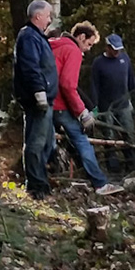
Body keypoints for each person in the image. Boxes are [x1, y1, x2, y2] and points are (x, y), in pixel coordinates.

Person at [50, 21, 123, 195]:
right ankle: (100, 184)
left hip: (45, 103)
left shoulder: (53, 45)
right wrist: (82, 113)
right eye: (89, 44)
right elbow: (68, 85)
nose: (88, 49)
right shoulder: (73, 50)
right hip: (60, 105)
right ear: (81, 37)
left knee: (43, 141)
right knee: (82, 142)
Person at [12, 0, 60, 199]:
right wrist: (39, 92)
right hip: (37, 100)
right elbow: (30, 67)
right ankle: (36, 187)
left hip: (46, 100)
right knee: (36, 144)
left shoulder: (37, 37)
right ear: (38, 16)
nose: (49, 20)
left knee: (47, 144)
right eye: (48, 15)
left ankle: (41, 182)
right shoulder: (28, 36)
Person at [89, 32, 135, 175]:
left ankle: (132, 165)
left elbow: (131, 81)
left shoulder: (125, 59)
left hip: (124, 106)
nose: (117, 52)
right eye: (114, 49)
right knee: (109, 138)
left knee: (128, 135)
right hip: (106, 107)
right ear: (108, 47)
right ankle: (113, 169)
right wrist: (96, 108)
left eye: (119, 49)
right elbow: (94, 86)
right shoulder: (98, 63)